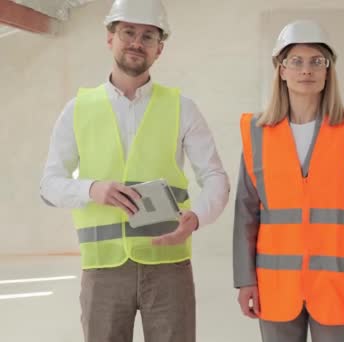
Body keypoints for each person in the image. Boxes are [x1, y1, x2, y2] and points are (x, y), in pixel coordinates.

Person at [40, 0, 229, 341]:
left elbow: (215, 177)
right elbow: (50, 184)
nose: (137, 42)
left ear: (160, 49)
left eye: (148, 36)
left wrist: (197, 217)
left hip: (168, 261)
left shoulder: (182, 108)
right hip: (103, 267)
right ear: (110, 37)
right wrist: (92, 188)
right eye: (128, 32)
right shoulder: (77, 110)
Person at [232, 19, 344, 342]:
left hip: (336, 286)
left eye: (317, 61)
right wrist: (245, 280)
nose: (306, 70)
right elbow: (246, 214)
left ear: (328, 71)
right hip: (275, 287)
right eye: (295, 61)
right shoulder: (257, 134)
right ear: (281, 70)